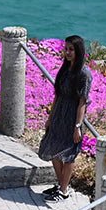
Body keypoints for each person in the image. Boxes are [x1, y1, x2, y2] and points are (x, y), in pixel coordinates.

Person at [36, 35, 93, 200]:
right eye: (66, 49)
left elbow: (83, 102)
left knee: (69, 155)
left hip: (72, 117)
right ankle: (62, 185)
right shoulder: (64, 69)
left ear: (78, 51)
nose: (67, 53)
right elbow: (57, 95)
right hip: (59, 114)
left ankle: (63, 190)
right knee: (52, 148)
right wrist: (50, 117)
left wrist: (77, 126)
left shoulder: (84, 74)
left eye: (71, 49)